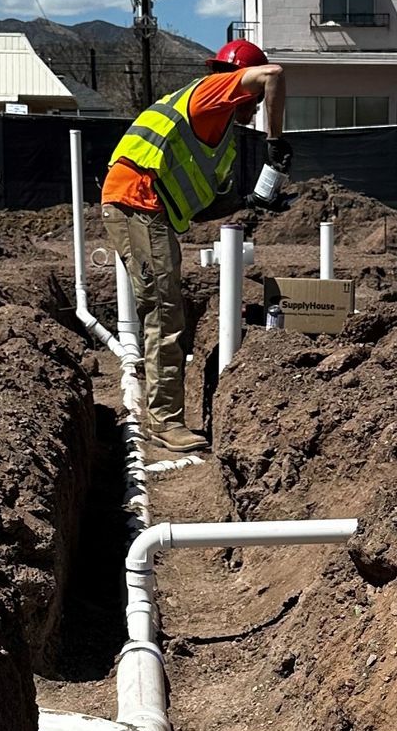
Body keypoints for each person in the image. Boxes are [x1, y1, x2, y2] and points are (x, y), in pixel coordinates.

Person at [102, 39, 290, 449]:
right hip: (137, 202)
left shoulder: (219, 133)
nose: (256, 107)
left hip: (151, 209)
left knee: (165, 309)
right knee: (164, 313)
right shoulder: (211, 93)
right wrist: (275, 146)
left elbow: (199, 205)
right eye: (255, 100)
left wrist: (251, 200)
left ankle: (163, 415)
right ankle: (166, 423)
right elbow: (274, 74)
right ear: (242, 84)